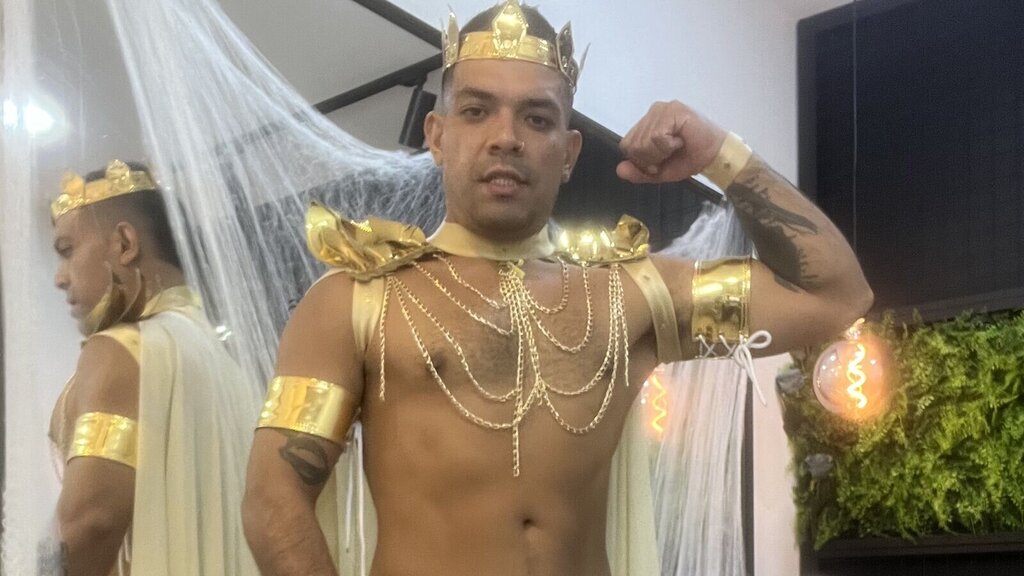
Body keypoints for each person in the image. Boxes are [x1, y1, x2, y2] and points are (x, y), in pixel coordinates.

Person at [241, 1, 873, 575]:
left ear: (569, 152)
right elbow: (275, 498)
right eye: (476, 110)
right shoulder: (355, 301)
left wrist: (719, 154)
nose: (506, 136)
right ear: (437, 135)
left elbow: (834, 297)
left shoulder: (633, 297)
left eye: (536, 117)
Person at [47, 159, 260, 575]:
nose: (60, 277)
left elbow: (90, 522)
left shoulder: (120, 349)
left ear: (125, 243)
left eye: (68, 250)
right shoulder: (223, 362)